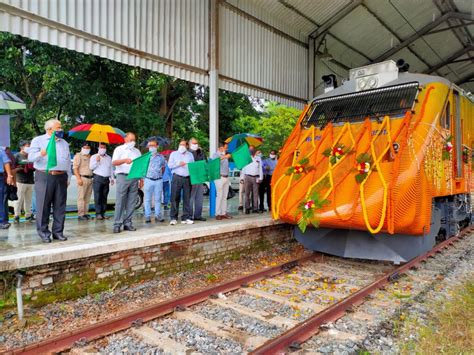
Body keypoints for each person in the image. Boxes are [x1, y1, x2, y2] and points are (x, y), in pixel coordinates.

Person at [29, 119, 71, 242]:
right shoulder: (38, 140)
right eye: (58, 128)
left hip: (61, 176)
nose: (61, 130)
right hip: (44, 175)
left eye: (60, 127)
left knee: (60, 205)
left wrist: (68, 176)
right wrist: (41, 154)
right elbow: (31, 158)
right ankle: (44, 233)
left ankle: (58, 232)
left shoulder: (64, 143)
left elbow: (68, 161)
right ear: (49, 129)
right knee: (43, 205)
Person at [112, 132, 142, 233]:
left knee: (132, 201)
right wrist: (124, 160)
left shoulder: (137, 151)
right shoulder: (119, 149)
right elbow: (114, 162)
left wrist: (141, 178)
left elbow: (140, 165)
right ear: (125, 139)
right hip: (122, 176)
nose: (132, 142)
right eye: (130, 140)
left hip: (134, 177)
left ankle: (128, 223)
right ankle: (117, 224)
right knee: (120, 201)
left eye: (134, 140)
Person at [168, 140, 194, 225]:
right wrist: (178, 163)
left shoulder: (190, 155)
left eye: (183, 144)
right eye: (180, 144)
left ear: (187, 146)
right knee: (175, 198)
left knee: (187, 198)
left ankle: (185, 217)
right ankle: (173, 217)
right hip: (177, 177)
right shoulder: (173, 154)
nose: (181, 146)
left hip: (187, 178)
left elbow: (193, 166)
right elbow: (169, 165)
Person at [144, 139, 166, 223]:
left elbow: (163, 167)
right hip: (148, 179)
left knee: (158, 199)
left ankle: (158, 215)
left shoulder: (161, 157)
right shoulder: (146, 157)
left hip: (158, 180)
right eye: (150, 146)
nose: (152, 147)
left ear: (157, 146)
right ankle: (147, 216)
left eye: (153, 145)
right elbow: (143, 168)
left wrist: (159, 175)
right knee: (147, 199)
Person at [90, 143, 114, 220]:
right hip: (98, 178)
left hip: (106, 179)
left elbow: (110, 168)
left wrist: (112, 178)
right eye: (101, 147)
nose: (102, 149)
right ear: (98, 148)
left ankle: (103, 213)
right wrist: (97, 161)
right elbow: (91, 167)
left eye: (104, 147)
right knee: (97, 196)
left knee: (104, 196)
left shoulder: (109, 158)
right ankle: (98, 213)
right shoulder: (94, 157)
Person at [13, 140, 35, 223]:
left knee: (28, 200)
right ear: (22, 147)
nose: (29, 147)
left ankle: (28, 215)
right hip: (20, 180)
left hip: (30, 180)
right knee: (19, 199)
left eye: (29, 146)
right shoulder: (17, 156)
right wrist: (19, 168)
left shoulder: (31, 156)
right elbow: (13, 168)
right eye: (27, 146)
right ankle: (16, 215)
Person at [212, 142, 232, 220]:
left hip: (226, 177)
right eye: (225, 148)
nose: (226, 149)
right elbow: (215, 161)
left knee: (224, 196)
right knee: (219, 196)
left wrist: (226, 156)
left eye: (227, 148)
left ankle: (223, 213)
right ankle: (217, 213)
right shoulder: (216, 154)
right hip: (219, 177)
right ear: (220, 148)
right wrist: (225, 156)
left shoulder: (225, 155)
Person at [73, 142, 93, 220]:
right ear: (82, 148)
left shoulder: (90, 157)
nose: (86, 149)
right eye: (85, 148)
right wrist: (78, 178)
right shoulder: (78, 156)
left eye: (88, 148)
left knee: (87, 198)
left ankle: (86, 213)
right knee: (81, 197)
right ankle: (81, 214)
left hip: (90, 178)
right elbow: (75, 168)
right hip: (82, 178)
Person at [241, 145, 263, 214]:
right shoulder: (246, 158)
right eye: (250, 149)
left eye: (252, 149)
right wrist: (242, 178)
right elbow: (243, 168)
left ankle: (255, 208)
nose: (251, 150)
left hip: (256, 177)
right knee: (247, 193)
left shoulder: (258, 158)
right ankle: (247, 208)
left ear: (254, 150)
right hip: (247, 177)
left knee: (255, 194)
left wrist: (261, 177)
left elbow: (260, 169)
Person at [189, 137, 206, 221]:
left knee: (199, 197)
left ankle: (198, 215)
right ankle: (190, 215)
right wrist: (195, 153)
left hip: (200, 177)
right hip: (192, 178)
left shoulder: (200, 152)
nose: (195, 145)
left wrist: (201, 153)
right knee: (191, 197)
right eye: (194, 143)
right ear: (189, 144)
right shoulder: (188, 153)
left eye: (196, 143)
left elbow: (204, 162)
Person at [0, 146, 14, 229]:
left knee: (1, 200)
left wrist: (9, 175)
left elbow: (6, 162)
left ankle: (2, 221)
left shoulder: (1, 150)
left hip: (0, 177)